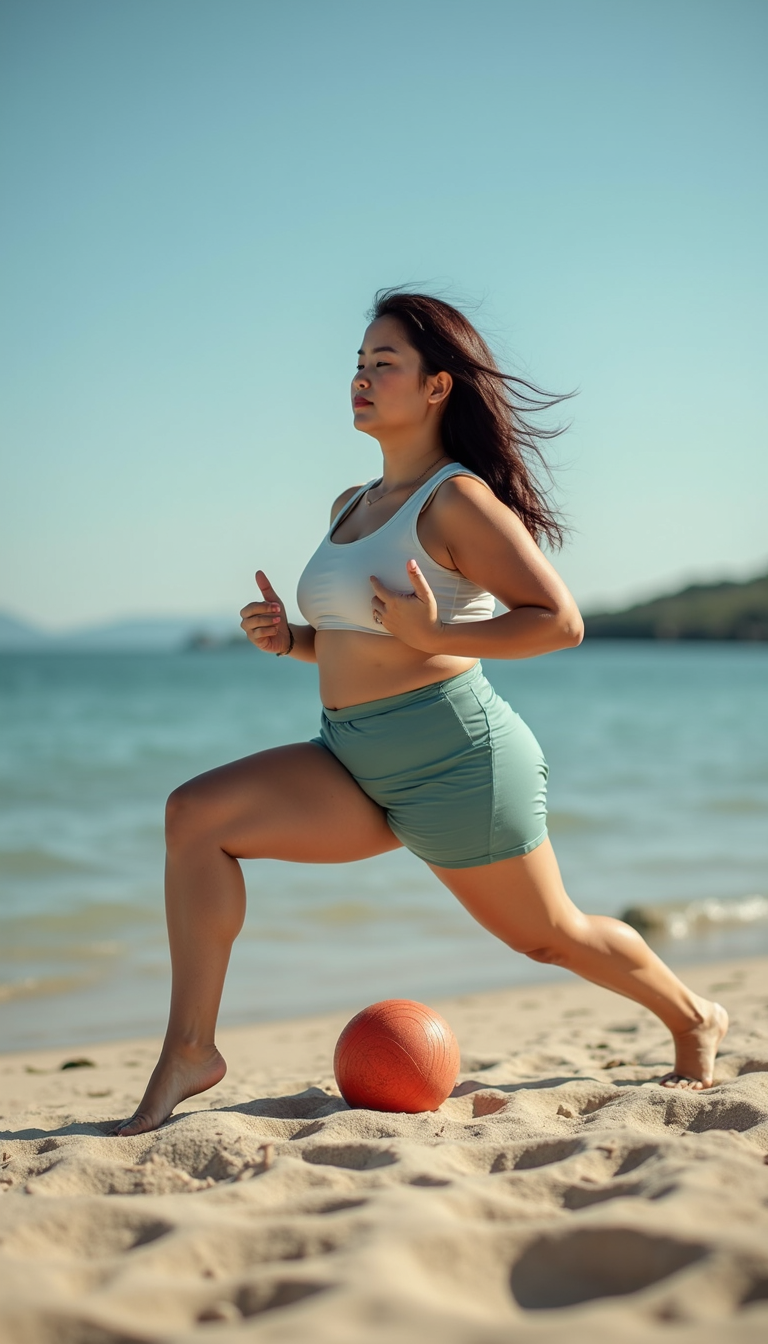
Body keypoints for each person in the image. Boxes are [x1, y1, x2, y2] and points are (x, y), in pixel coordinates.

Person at [114, 291, 727, 1136]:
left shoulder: (456, 501)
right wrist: (290, 638)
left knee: (550, 935)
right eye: (357, 365)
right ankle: (191, 1049)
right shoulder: (349, 504)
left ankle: (693, 1015)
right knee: (195, 815)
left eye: (383, 364)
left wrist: (440, 627)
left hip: (456, 759)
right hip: (352, 755)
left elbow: (560, 621)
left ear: (437, 387)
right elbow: (359, 645)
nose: (361, 380)